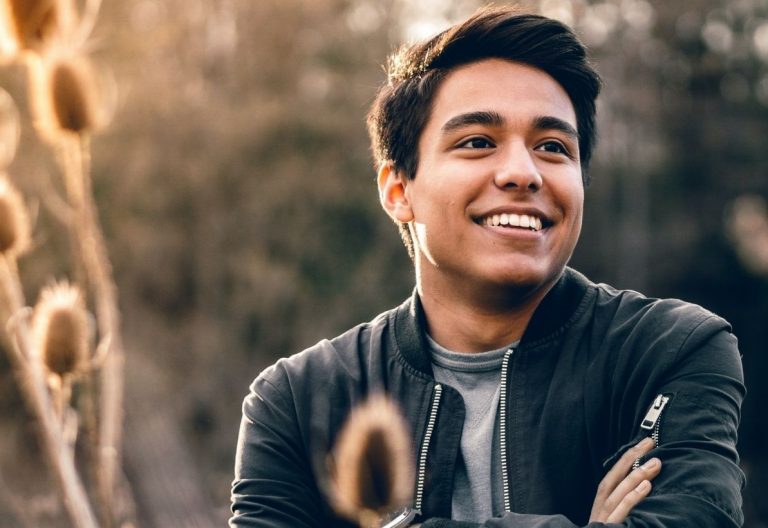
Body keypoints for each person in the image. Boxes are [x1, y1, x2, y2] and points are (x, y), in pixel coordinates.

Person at [230, 6, 745, 527]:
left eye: (552, 147)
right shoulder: (298, 400)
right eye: (477, 142)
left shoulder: (670, 351)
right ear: (397, 190)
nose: (523, 173)